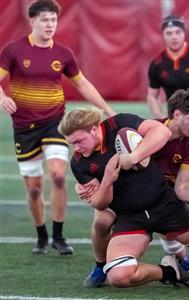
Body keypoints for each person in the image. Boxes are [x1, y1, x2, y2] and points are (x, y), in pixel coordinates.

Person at [71, 99, 189, 289]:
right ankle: (169, 272)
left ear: (93, 129)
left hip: (164, 202)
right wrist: (108, 179)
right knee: (118, 274)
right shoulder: (78, 162)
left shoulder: (121, 124)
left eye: (78, 141)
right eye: (72, 143)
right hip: (129, 215)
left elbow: (161, 134)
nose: (75, 147)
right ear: (176, 115)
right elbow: (100, 203)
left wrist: (133, 157)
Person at [0, 0, 115, 255]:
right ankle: (41, 235)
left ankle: (59, 236)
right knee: (34, 189)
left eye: (53, 20)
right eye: (44, 20)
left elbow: (82, 84)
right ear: (32, 21)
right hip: (24, 127)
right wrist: (2, 97)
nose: (50, 24)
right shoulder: (14, 50)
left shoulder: (63, 53)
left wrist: (107, 110)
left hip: (55, 123)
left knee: (59, 175)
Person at [147, 15, 189, 118]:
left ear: (184, 33)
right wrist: (161, 117)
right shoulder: (157, 63)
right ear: (163, 35)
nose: (174, 37)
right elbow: (152, 95)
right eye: (169, 33)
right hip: (174, 118)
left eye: (178, 32)